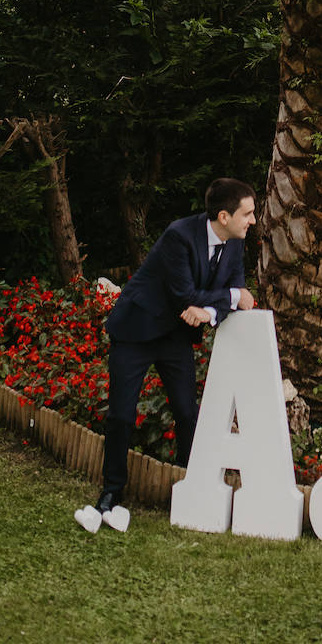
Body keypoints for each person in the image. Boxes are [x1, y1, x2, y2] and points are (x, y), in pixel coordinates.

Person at [91, 177, 257, 521]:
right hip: (138, 329)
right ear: (224, 217)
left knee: (187, 412)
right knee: (121, 414)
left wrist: (209, 311)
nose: (253, 220)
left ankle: (191, 484)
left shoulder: (237, 242)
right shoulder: (179, 236)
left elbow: (234, 292)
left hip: (176, 335)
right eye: (248, 213)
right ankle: (111, 491)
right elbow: (192, 295)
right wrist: (229, 298)